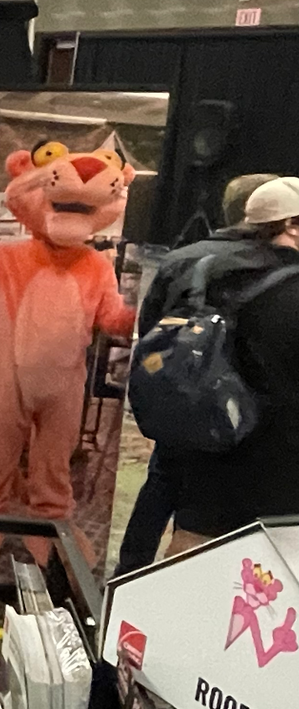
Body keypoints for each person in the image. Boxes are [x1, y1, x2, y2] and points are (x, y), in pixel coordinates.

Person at [121, 177, 299, 564]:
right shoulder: (290, 288)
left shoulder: (198, 266)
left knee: (188, 551)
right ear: (291, 225)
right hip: (278, 472)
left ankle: (128, 587)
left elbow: (151, 330)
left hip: (200, 433)